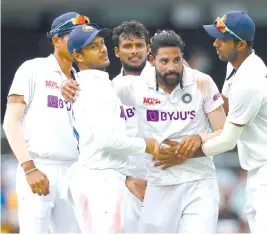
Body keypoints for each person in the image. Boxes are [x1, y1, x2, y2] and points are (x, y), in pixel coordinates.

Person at [113, 30, 226, 233]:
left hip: (199, 183)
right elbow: (91, 98)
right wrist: (68, 84)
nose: (172, 67)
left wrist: (200, 139)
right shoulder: (133, 86)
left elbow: (224, 132)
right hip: (158, 184)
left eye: (177, 60)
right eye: (164, 61)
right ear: (151, 59)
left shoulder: (202, 82)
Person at [200, 11, 267, 233]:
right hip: (258, 168)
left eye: (222, 39)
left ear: (241, 44)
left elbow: (227, 142)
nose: (215, 43)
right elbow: (223, 108)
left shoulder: (250, 79)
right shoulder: (235, 64)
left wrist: (187, 149)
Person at [65, 24, 160, 234]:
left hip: (101, 174)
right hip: (101, 177)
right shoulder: (95, 87)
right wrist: (147, 145)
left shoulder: (89, 84)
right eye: (92, 47)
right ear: (78, 56)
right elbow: (107, 140)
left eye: (101, 43)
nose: (102, 49)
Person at [2, 12, 90, 234]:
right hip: (39, 167)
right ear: (56, 40)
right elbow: (10, 122)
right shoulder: (33, 69)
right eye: (73, 35)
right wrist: (29, 167)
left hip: (74, 171)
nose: (80, 42)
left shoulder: (84, 79)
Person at [111, 21, 152, 233]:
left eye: (139, 45)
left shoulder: (169, 85)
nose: (134, 51)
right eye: (127, 46)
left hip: (167, 179)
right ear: (117, 52)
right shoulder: (108, 91)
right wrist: (126, 180)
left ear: (149, 48)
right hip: (127, 184)